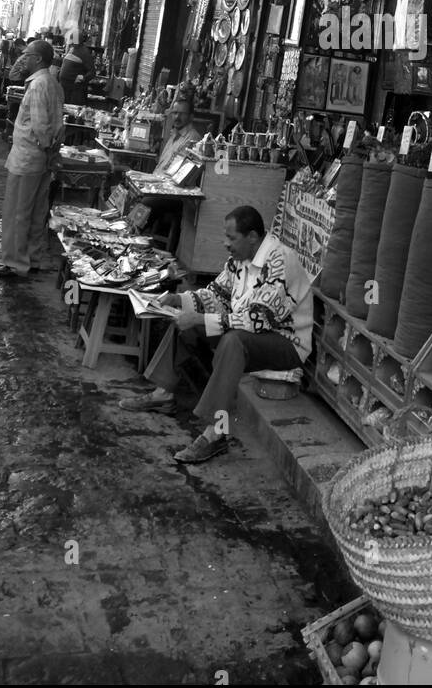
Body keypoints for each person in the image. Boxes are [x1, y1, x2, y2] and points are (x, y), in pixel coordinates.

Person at [120, 206, 313, 464]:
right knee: (183, 321)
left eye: (231, 238)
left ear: (253, 237)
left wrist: (199, 318)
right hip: (250, 333)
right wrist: (180, 300)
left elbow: (257, 320)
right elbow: (216, 295)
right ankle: (163, 394)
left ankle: (215, 433)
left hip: (286, 344)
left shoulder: (280, 261)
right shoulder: (239, 260)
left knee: (233, 341)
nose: (225, 243)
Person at [0, 40, 64, 280]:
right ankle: (32, 258)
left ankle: (15, 263)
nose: (24, 58)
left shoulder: (40, 84)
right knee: (35, 211)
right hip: (40, 157)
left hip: (29, 156)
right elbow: (57, 124)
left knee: (18, 211)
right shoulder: (51, 83)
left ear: (38, 59)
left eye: (28, 55)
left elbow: (41, 125)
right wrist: (51, 151)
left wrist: (46, 147)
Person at [154, 93, 201, 174]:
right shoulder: (175, 134)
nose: (177, 117)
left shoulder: (192, 139)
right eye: (175, 113)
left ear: (191, 117)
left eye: (182, 114)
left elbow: (177, 174)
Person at [59, 33, 96, 106]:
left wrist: (83, 78)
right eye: (71, 40)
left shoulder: (84, 52)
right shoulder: (72, 49)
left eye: (74, 40)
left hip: (75, 91)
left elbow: (92, 72)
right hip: (64, 89)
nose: (72, 42)